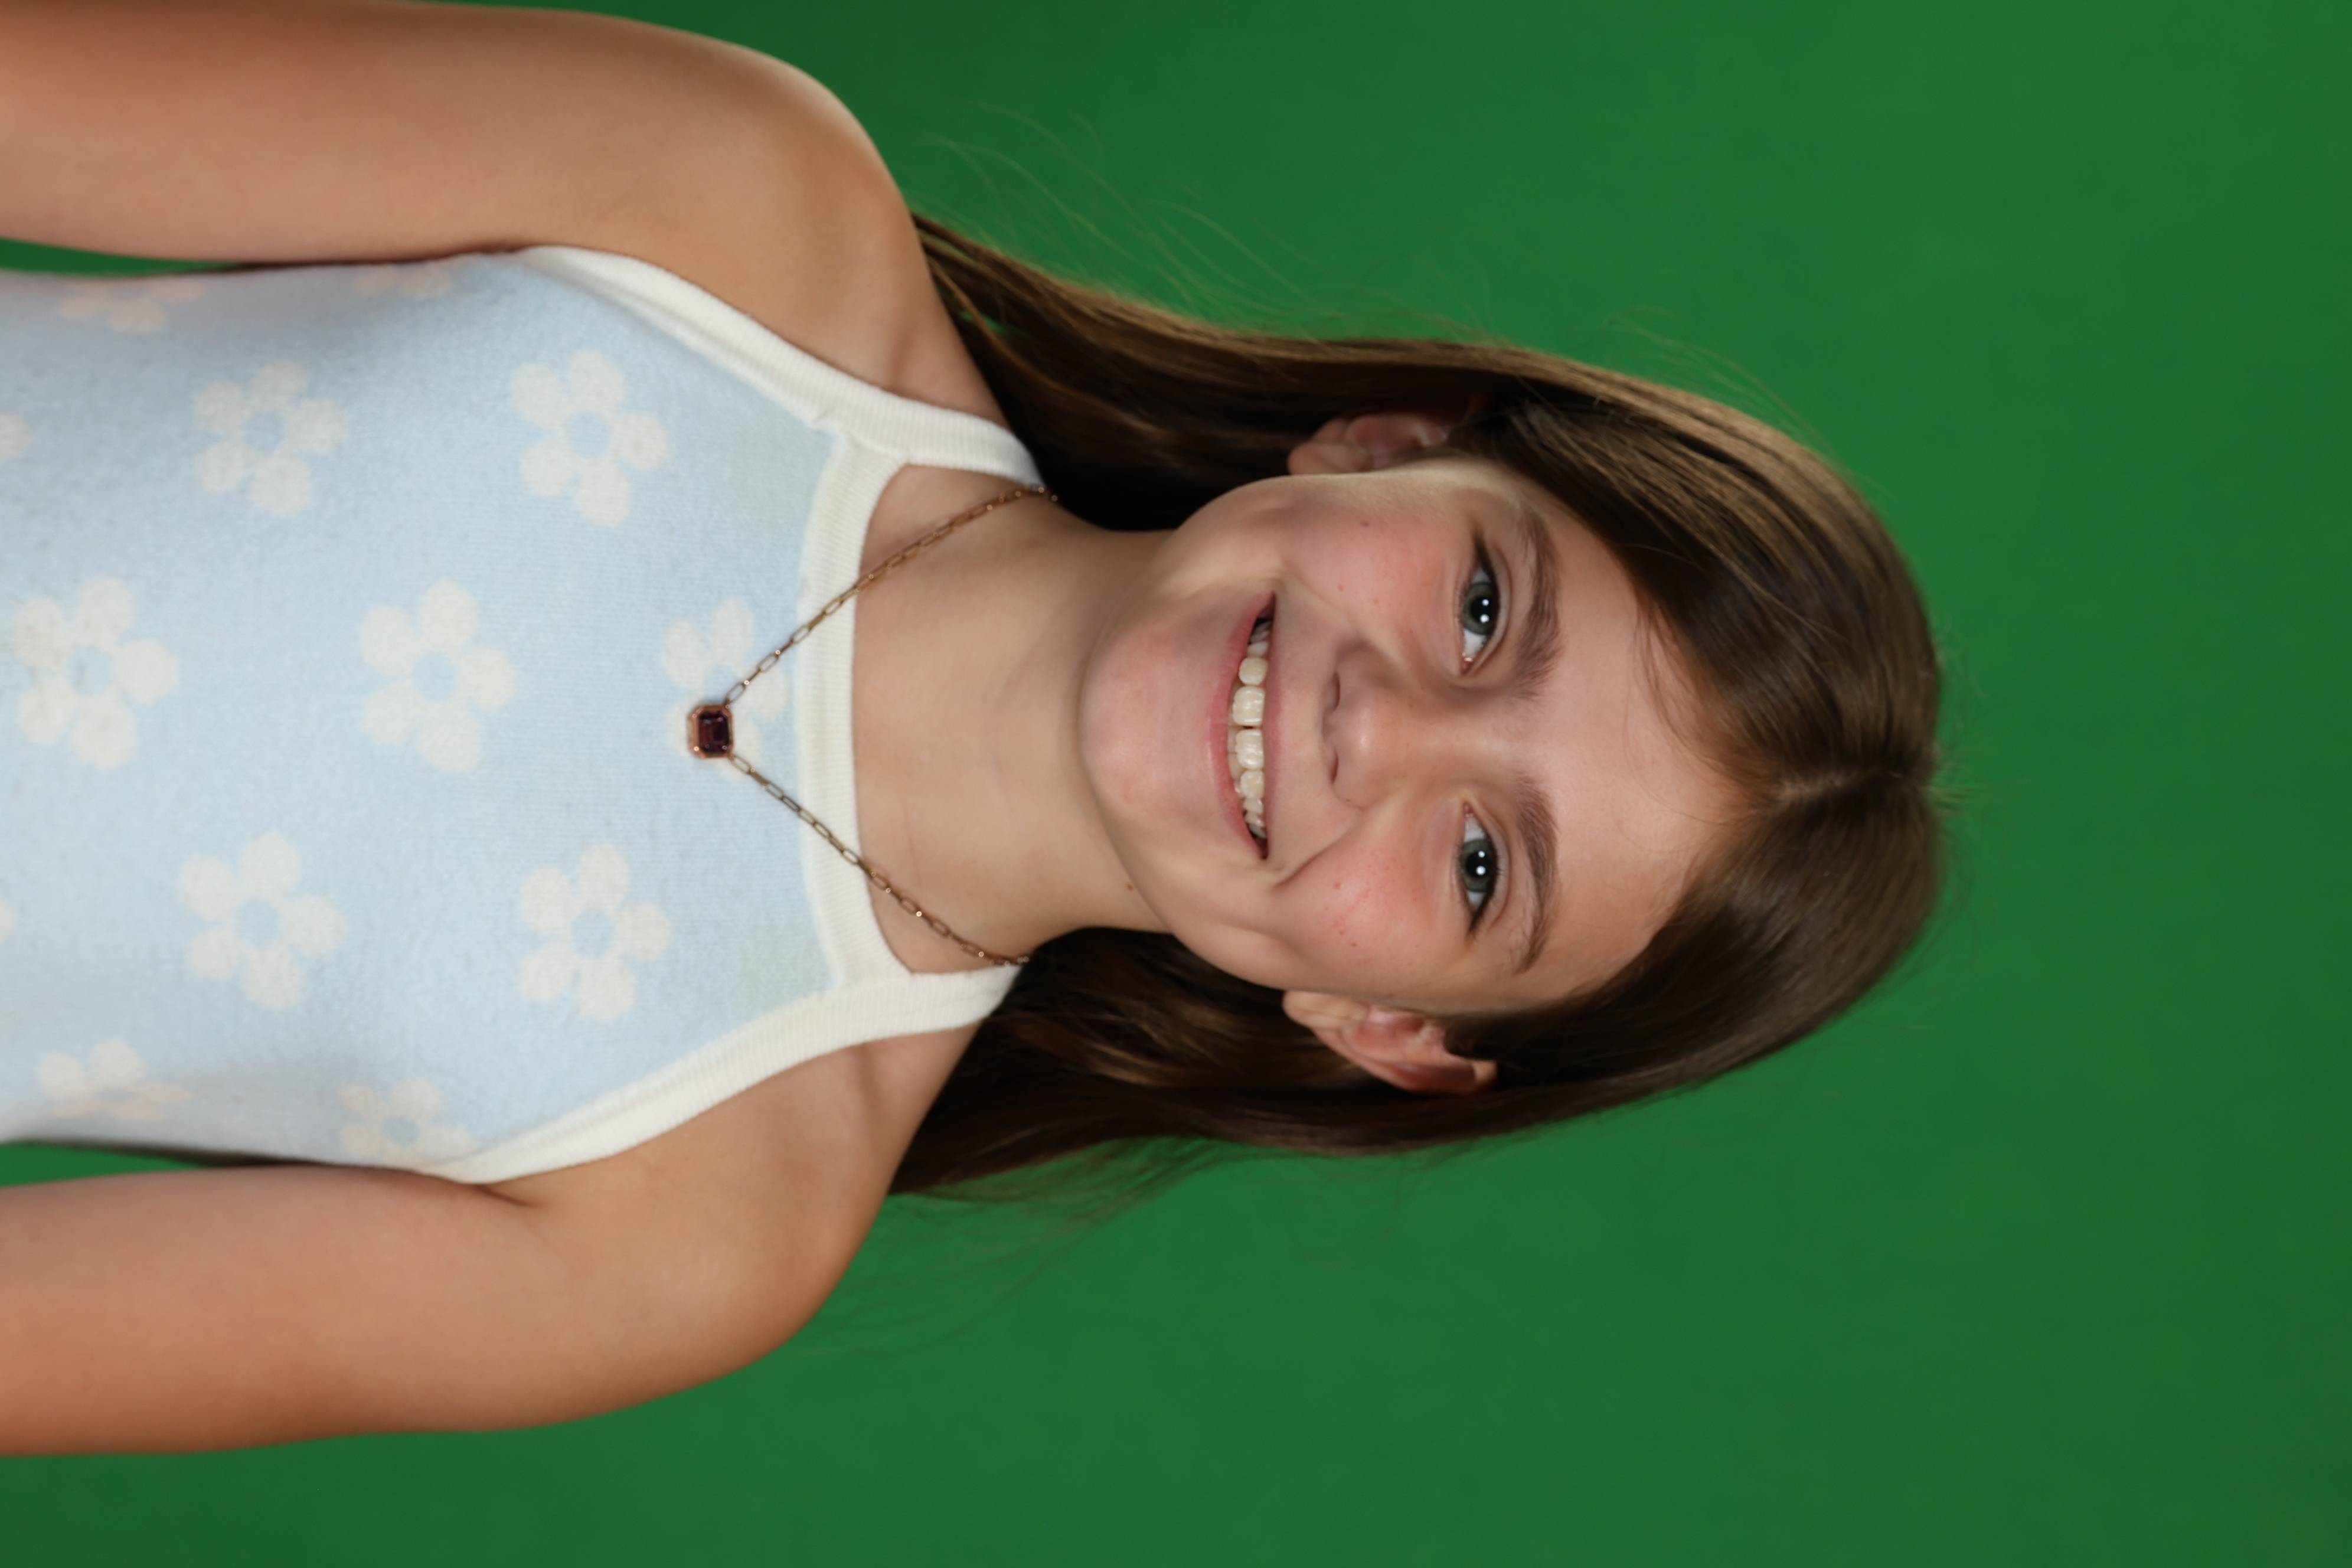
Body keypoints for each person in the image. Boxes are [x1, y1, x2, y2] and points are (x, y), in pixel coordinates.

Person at [0, 1, 1941, 1452]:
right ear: (1391, 443)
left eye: (1484, 863)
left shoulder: (698, 1228)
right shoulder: (733, 201)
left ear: (1387, 1030)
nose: (1383, 730)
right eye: (1488, 610)